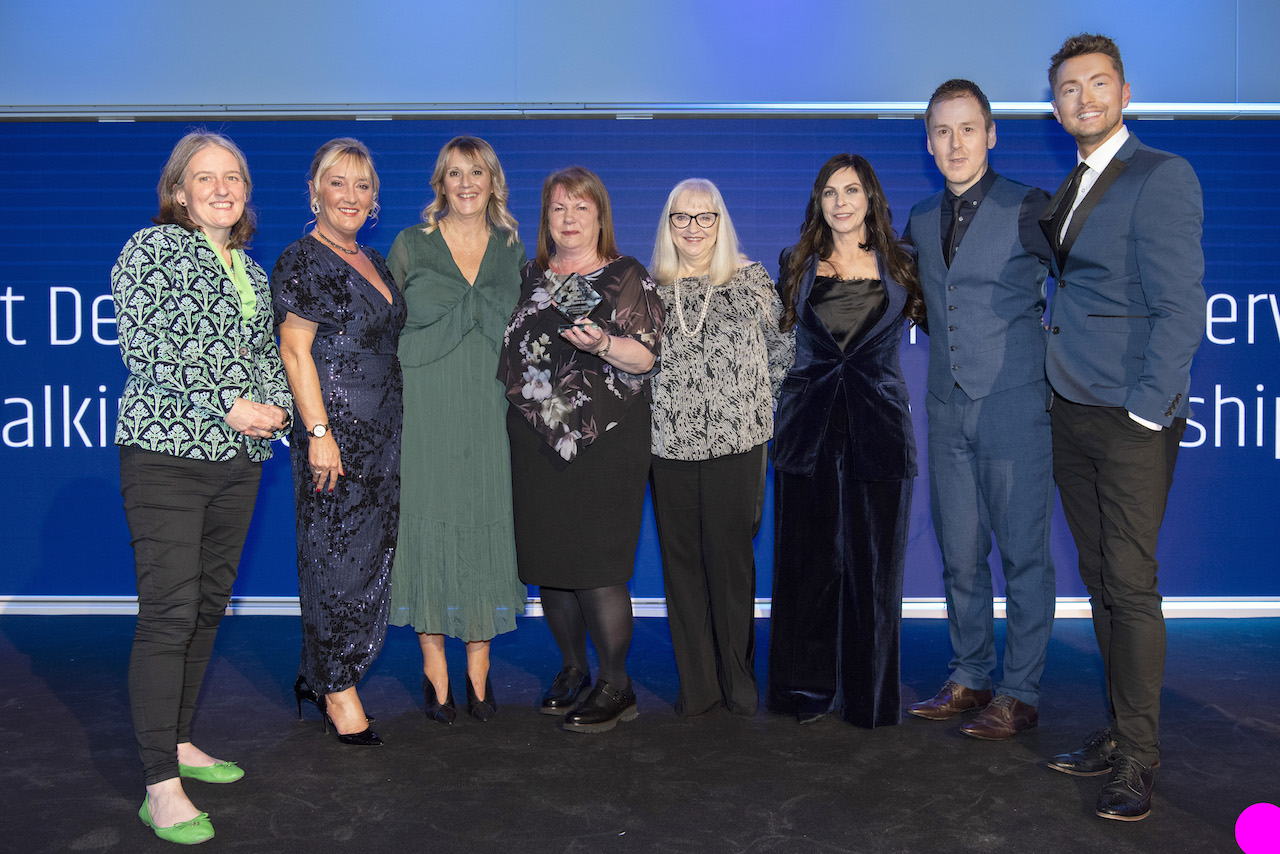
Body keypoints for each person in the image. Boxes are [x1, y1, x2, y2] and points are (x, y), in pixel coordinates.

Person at [1038, 34, 1205, 821]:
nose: (1084, 99)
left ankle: (1140, 755)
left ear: (1125, 92)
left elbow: (1181, 305)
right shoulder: (1069, 184)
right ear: (1055, 104)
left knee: (1131, 585)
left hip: (1132, 419)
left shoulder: (1162, 176)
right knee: (1102, 578)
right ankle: (1116, 729)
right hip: (1069, 411)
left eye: (1097, 84)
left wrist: (1147, 406)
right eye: (1069, 89)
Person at [112, 131, 293, 844]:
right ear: (179, 192)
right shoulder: (151, 249)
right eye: (204, 178)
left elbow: (263, 355)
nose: (222, 188)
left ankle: (181, 739)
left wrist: (275, 409)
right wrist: (228, 403)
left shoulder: (248, 266)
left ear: (246, 192)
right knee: (169, 612)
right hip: (166, 456)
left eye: (234, 178)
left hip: (238, 462)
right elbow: (149, 345)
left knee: (207, 607)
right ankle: (159, 783)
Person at [904, 80, 1057, 740]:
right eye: (942, 131)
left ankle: (1019, 692)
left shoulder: (1031, 206)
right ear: (929, 142)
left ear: (991, 134)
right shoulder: (916, 219)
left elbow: (1084, 286)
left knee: (1024, 555)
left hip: (1015, 405)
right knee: (960, 554)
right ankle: (971, 675)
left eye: (968, 129)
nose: (955, 143)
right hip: (946, 408)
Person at [497, 166, 664, 733]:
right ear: (546, 218)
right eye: (558, 209)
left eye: (581, 208)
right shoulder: (530, 276)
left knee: (596, 564)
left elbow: (646, 358)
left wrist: (604, 343)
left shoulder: (625, 275)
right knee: (552, 563)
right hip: (536, 438)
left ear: (600, 216)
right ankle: (572, 670)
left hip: (606, 440)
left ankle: (617, 684)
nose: (568, 219)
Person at [766, 153, 925, 728]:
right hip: (807, 429)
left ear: (870, 198)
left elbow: (952, 321)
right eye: (829, 192)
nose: (840, 202)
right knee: (805, 566)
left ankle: (869, 696)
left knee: (874, 569)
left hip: (878, 428)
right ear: (818, 202)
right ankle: (803, 692)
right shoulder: (796, 262)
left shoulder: (903, 265)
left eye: (851, 190)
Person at [387, 136, 527, 724]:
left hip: (491, 409)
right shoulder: (410, 246)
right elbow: (381, 329)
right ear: (439, 184)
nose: (465, 183)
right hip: (425, 409)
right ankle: (434, 672)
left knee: (483, 522)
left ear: (494, 181)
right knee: (429, 525)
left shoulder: (514, 250)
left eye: (477, 172)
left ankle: (479, 671)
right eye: (453, 173)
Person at [272, 138, 405, 746]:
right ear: (314, 192)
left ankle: (318, 673)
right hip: (337, 436)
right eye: (338, 183)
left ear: (374, 198)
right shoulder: (303, 259)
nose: (350, 195)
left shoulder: (371, 257)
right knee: (334, 561)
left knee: (365, 556)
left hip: (382, 433)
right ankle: (337, 689)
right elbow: (295, 349)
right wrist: (319, 434)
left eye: (362, 185)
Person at [648, 178, 793, 717]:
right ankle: (699, 686)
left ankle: (738, 682)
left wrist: (754, 407)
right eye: (681, 218)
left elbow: (784, 351)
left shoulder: (753, 281)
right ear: (668, 225)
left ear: (721, 221)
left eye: (704, 217)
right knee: (681, 566)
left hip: (738, 443)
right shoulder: (648, 289)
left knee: (731, 564)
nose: (693, 228)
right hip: (667, 445)